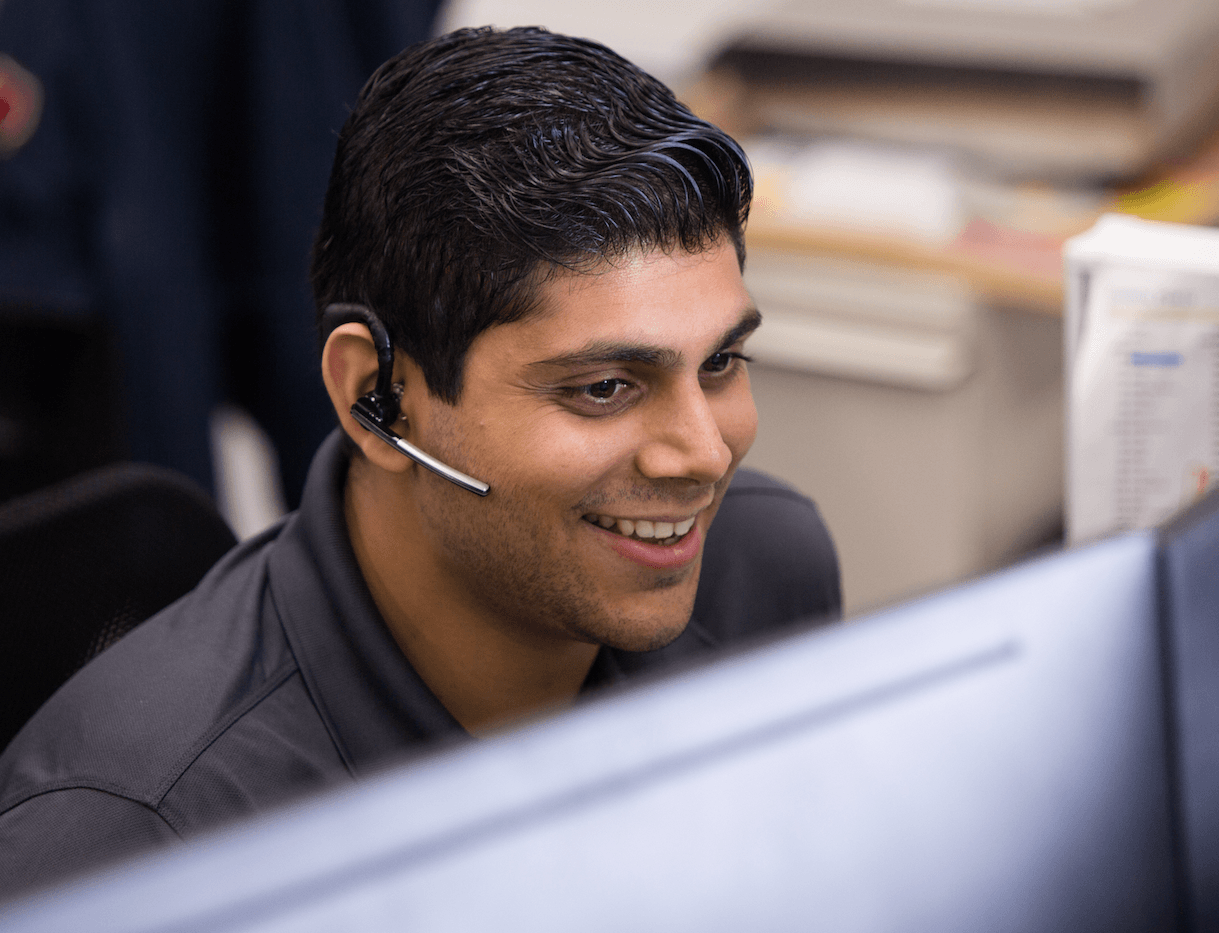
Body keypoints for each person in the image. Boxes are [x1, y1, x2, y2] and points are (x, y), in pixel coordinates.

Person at [0, 26, 839, 899]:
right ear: (376, 395)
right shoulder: (130, 841)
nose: (704, 454)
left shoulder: (763, 571)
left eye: (719, 364)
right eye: (603, 387)